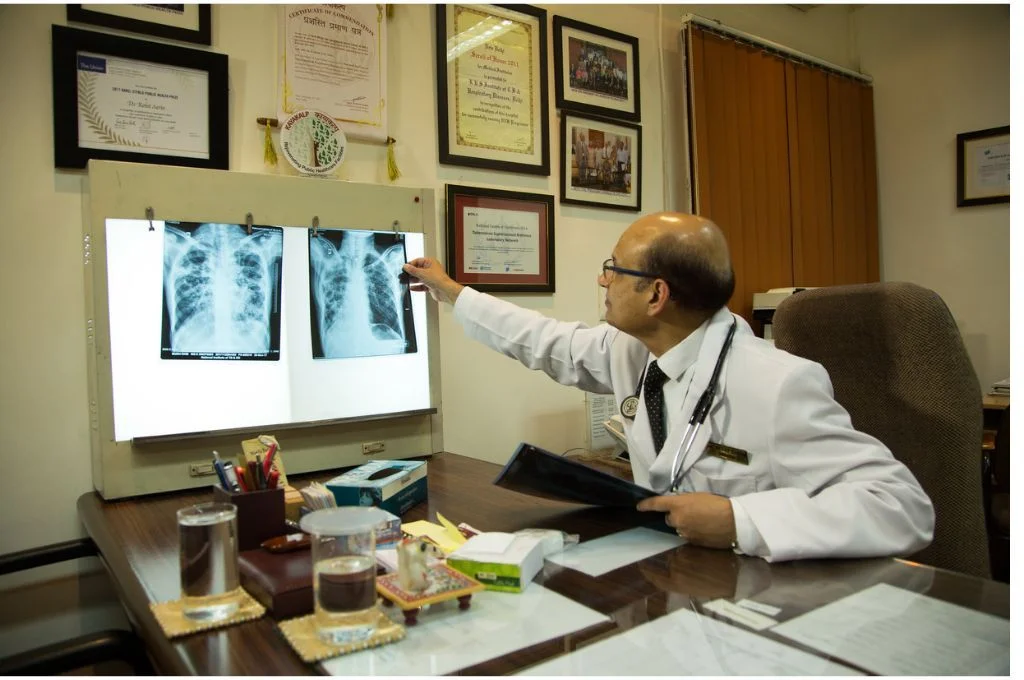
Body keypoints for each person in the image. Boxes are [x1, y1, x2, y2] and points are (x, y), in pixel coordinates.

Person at [402, 212, 934, 563]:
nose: (602, 280)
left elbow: (902, 506)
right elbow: (544, 341)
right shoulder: (631, 348)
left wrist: (739, 519)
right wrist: (452, 293)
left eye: (613, 269)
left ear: (656, 295)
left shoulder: (777, 384)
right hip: (673, 573)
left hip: (757, 599)